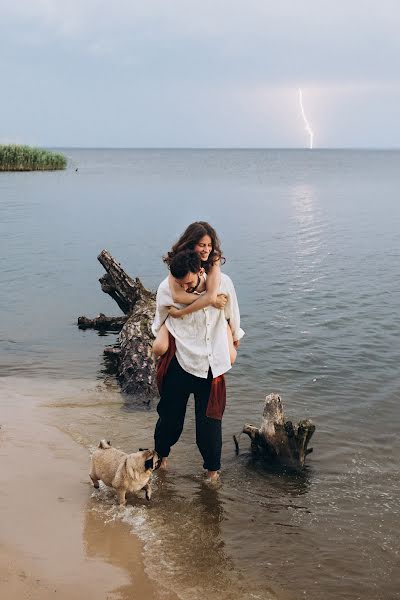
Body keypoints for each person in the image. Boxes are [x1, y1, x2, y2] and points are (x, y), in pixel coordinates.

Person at [152, 249, 244, 482]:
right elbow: (158, 320)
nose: (184, 288)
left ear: (200, 271)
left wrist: (234, 337)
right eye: (180, 284)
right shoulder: (166, 287)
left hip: (211, 363)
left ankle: (212, 475)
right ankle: (160, 460)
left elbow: (233, 315)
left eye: (189, 283)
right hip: (179, 361)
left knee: (210, 424)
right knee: (170, 420)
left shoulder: (223, 284)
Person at [152, 222, 240, 363]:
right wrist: (211, 300)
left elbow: (211, 296)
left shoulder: (213, 259)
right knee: (159, 348)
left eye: (209, 245)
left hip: (196, 312)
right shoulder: (180, 262)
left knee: (231, 357)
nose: (206, 249)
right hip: (176, 314)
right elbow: (177, 296)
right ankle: (166, 326)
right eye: (202, 245)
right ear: (191, 244)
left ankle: (227, 328)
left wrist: (235, 333)